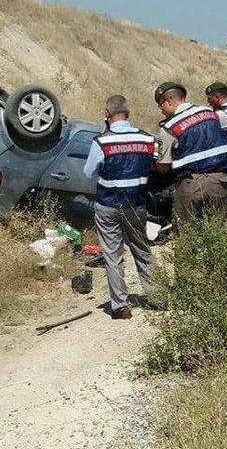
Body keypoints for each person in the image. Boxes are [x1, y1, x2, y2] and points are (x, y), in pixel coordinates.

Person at [83, 95, 158, 320]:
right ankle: (158, 298)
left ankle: (121, 307)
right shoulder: (147, 139)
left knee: (113, 255)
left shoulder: (101, 142)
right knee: (142, 250)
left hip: (108, 205)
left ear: (107, 115)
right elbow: (157, 164)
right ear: (128, 114)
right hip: (136, 204)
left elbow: (88, 173)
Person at [154, 82, 227, 227]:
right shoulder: (209, 112)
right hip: (220, 181)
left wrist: (156, 162)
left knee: (188, 238)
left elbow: (164, 167)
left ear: (169, 101)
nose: (161, 110)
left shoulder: (168, 128)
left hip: (190, 185)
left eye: (161, 105)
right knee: (221, 235)